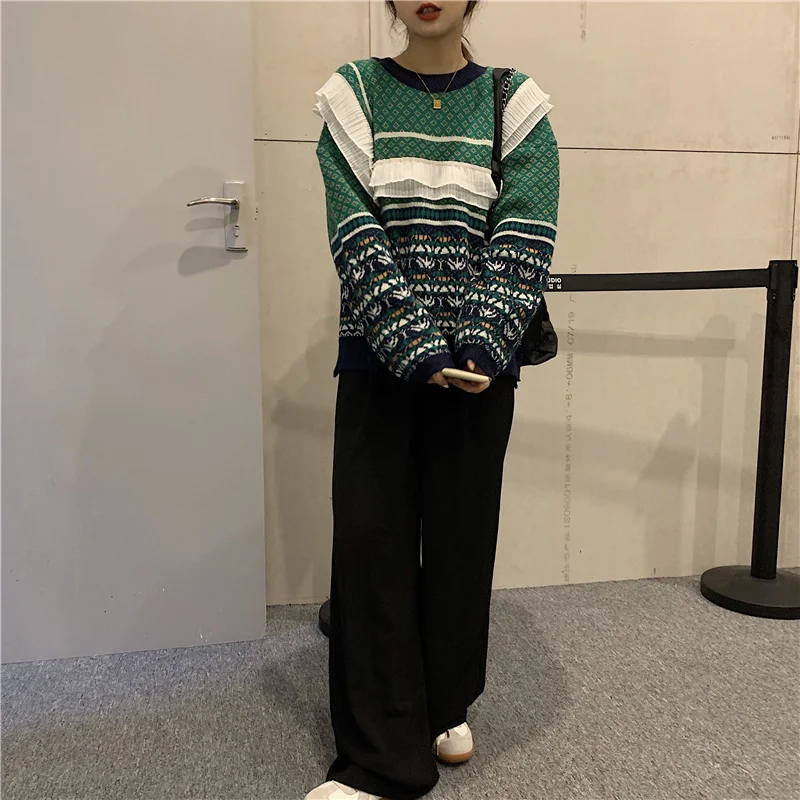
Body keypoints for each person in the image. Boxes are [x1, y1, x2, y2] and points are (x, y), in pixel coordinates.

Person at [307, 1, 560, 798]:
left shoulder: (515, 102)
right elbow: (355, 233)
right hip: (380, 364)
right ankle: (384, 758)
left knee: (459, 544)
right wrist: (414, 345)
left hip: (481, 370)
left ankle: (443, 703)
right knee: (372, 546)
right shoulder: (353, 95)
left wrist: (480, 343)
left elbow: (526, 229)